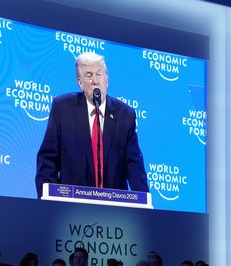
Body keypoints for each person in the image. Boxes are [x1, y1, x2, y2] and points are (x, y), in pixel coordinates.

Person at [35, 52, 148, 195]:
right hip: (71, 205)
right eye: (89, 75)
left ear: (107, 79)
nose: (95, 81)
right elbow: (47, 159)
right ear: (80, 82)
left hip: (113, 208)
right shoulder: (63, 109)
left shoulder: (125, 115)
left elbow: (135, 166)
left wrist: (145, 206)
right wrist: (47, 200)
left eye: (99, 75)